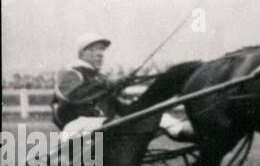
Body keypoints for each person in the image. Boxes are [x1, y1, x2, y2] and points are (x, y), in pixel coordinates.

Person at [53, 34, 194, 143]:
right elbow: (74, 96)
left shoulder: (99, 77)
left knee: (157, 116)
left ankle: (195, 132)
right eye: (93, 49)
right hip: (78, 126)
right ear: (82, 53)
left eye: (102, 50)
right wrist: (111, 84)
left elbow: (113, 102)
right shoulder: (70, 72)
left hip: (102, 124)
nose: (100, 54)